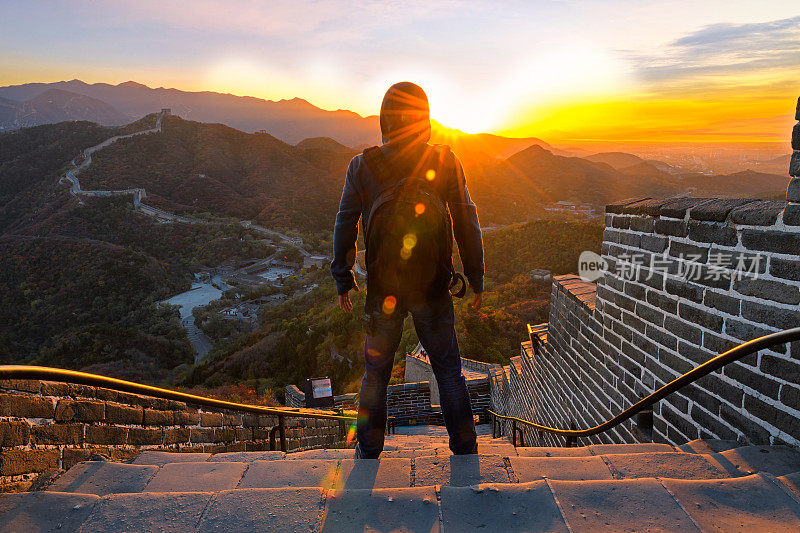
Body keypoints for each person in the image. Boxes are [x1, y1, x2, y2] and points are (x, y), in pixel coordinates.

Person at [331, 81, 485, 458]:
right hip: (432, 286)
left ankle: (368, 451)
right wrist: (476, 276)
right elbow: (467, 220)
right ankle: (464, 446)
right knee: (448, 370)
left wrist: (343, 278)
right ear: (425, 118)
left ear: (384, 119)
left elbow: (345, 222)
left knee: (376, 375)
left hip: (383, 287)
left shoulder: (362, 165)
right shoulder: (445, 159)